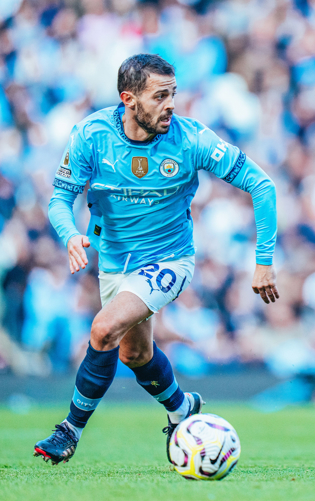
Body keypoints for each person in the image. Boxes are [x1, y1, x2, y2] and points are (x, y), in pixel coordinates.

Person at [34, 54, 279, 465]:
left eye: (173, 94)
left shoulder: (192, 139)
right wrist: (70, 234)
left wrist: (264, 260)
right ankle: (183, 410)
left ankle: (70, 430)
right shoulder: (91, 135)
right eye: (159, 96)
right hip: (114, 263)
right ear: (128, 99)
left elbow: (262, 185)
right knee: (134, 356)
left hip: (170, 260)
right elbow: (60, 199)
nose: (170, 105)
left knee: (103, 329)